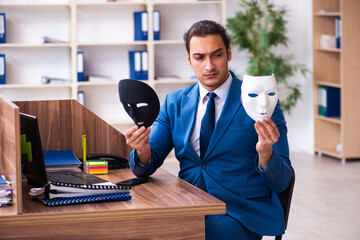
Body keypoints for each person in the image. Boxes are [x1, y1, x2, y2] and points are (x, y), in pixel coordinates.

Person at [125, 20, 293, 240]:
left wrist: (265, 153)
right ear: (188, 59)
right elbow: (145, 166)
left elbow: (282, 181)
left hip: (238, 210)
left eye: (217, 55)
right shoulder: (174, 103)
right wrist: (142, 149)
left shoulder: (260, 101)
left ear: (229, 53)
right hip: (187, 202)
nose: (209, 66)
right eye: (199, 57)